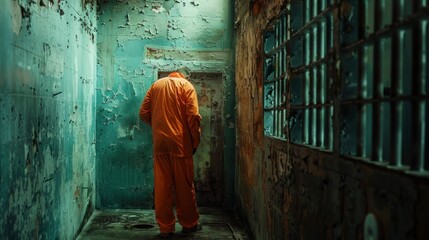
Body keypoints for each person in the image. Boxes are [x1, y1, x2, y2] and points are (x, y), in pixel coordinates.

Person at [139, 66, 202, 239]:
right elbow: (193, 116)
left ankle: (166, 228)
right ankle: (189, 224)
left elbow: (143, 113)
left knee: (162, 186)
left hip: (160, 144)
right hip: (181, 144)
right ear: (186, 76)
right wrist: (195, 141)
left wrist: (160, 127)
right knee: (184, 186)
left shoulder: (156, 85)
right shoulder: (186, 86)